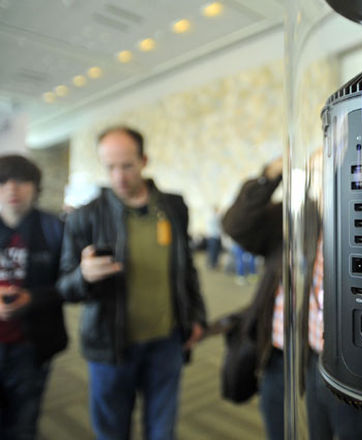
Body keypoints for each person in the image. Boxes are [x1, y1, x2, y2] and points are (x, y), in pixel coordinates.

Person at [57, 126, 207, 440]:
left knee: (162, 431)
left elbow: (186, 269)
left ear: (144, 161)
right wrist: (84, 275)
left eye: (126, 166)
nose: (119, 176)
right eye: (110, 167)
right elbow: (64, 287)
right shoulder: (85, 217)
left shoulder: (173, 207)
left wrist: (196, 316)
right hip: (111, 344)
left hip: (167, 341)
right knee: (112, 431)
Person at [222, 156, 362, 440]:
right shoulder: (293, 217)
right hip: (280, 355)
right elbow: (236, 225)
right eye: (318, 175)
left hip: (335, 361)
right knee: (281, 428)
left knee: (345, 432)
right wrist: (270, 173)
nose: (325, 184)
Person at [0, 154, 68, 440]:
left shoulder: (55, 229)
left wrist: (32, 298)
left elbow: (70, 285)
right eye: (3, 181)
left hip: (32, 345)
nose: (12, 188)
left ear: (36, 188)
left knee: (24, 424)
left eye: (21, 180)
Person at [205, 205, 222, 269]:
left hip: (213, 236)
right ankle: (212, 264)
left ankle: (213, 264)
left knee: (213, 251)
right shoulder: (214, 217)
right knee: (213, 251)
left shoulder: (210, 217)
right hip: (214, 236)